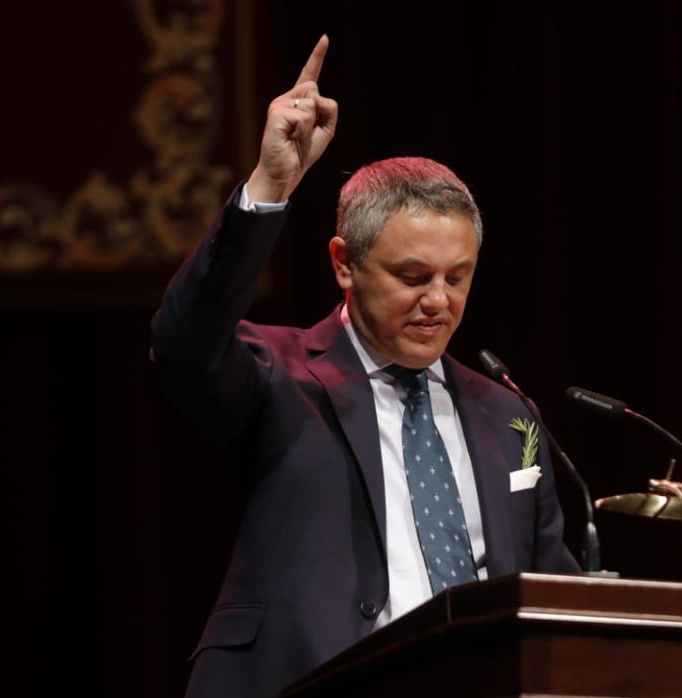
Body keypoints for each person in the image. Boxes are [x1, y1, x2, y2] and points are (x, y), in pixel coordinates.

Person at [151, 35, 579, 698]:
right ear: (344, 263)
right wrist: (270, 185)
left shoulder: (508, 415)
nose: (439, 301)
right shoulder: (280, 375)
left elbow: (555, 594)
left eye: (458, 277)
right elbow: (184, 342)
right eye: (413, 276)